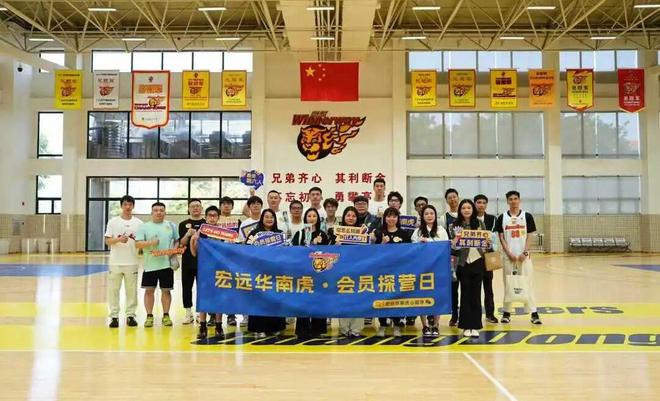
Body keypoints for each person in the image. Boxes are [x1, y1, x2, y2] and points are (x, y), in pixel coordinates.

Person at [495, 191, 542, 325]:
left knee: (528, 283)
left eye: (515, 199)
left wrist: (525, 253)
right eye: (511, 199)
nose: (513, 201)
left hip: (524, 257)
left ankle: (533, 313)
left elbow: (530, 236)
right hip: (508, 257)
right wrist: (509, 253)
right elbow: (501, 237)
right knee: (508, 284)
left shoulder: (527, 216)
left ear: (519, 200)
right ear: (507, 201)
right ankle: (506, 312)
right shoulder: (502, 217)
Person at [135, 202, 179, 328]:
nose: (159, 212)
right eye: (156, 210)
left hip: (166, 265)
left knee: (166, 291)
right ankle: (149, 316)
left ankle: (166, 315)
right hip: (150, 265)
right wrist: (150, 242)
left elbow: (177, 240)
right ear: (151, 212)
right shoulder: (144, 227)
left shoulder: (171, 225)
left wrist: (173, 250)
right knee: (149, 291)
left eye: (161, 210)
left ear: (165, 212)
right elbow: (137, 244)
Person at [245, 209, 287, 337]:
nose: (269, 219)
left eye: (271, 217)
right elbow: (246, 251)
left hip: (276, 272)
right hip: (258, 272)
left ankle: (275, 327)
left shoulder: (280, 234)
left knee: (275, 300)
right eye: (266, 217)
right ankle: (258, 328)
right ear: (262, 218)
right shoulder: (254, 233)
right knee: (258, 300)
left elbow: (286, 252)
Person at [450, 199, 488, 338]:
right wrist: (456, 240)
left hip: (478, 261)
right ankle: (466, 325)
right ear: (460, 210)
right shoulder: (454, 225)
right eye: (464, 208)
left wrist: (488, 242)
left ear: (473, 210)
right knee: (465, 293)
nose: (466, 210)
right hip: (463, 263)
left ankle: (476, 325)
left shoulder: (480, 223)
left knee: (476, 294)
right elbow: (453, 247)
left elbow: (486, 243)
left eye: (469, 208)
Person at [104, 195, 143, 328]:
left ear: (133, 206)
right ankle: (114, 316)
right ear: (121, 206)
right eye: (125, 204)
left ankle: (130, 315)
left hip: (132, 262)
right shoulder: (113, 222)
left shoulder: (139, 223)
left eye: (130, 204)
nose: (128, 207)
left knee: (131, 291)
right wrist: (119, 240)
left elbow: (141, 242)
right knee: (113, 290)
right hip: (115, 262)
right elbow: (107, 241)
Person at [372, 207, 411, 337]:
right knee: (382, 297)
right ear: (385, 218)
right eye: (388, 216)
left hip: (399, 271)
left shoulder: (404, 234)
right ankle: (382, 324)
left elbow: (409, 252)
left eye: (394, 216)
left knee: (397, 298)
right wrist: (382, 243)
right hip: (382, 271)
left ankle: (397, 324)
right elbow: (373, 253)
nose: (391, 219)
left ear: (398, 218)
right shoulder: (379, 232)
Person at [291, 208, 329, 338]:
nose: (311, 218)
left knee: (319, 300)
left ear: (318, 219)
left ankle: (318, 329)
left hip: (319, 272)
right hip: (303, 273)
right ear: (305, 218)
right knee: (303, 301)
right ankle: (302, 330)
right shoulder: (300, 234)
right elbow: (293, 252)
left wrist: (319, 245)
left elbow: (328, 254)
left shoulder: (323, 235)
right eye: (309, 216)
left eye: (314, 216)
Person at [411, 205, 449, 337]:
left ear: (435, 215)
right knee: (422, 296)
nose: (429, 216)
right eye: (426, 214)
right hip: (421, 268)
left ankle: (436, 324)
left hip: (438, 268)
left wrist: (429, 241)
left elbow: (445, 246)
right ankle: (425, 325)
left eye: (431, 213)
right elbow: (412, 250)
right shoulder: (417, 232)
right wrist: (419, 243)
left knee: (437, 296)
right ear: (422, 216)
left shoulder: (441, 230)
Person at [329, 206, 365, 338]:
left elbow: (369, 251)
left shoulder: (362, 232)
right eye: (348, 215)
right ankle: (344, 328)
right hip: (342, 271)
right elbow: (329, 253)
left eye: (353, 216)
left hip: (358, 271)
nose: (351, 218)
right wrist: (335, 246)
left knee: (358, 300)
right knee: (343, 300)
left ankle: (356, 329)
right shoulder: (335, 232)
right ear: (343, 217)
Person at [190, 205, 224, 339]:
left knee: (219, 297)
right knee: (203, 297)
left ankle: (219, 326)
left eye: (214, 215)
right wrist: (194, 240)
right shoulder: (201, 232)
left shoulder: (224, 233)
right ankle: (203, 326)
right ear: (206, 217)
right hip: (204, 269)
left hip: (220, 269)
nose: (212, 218)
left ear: (218, 217)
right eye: (210, 215)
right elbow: (194, 253)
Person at [178, 199, 205, 325]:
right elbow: (181, 243)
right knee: (187, 287)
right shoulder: (183, 224)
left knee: (202, 288)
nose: (195, 208)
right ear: (188, 209)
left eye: (198, 206)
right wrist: (188, 235)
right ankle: (188, 313)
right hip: (188, 261)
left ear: (201, 208)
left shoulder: (206, 224)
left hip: (203, 262)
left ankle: (201, 313)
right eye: (193, 206)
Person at [474, 194, 498, 324]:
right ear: (474, 204)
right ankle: (476, 314)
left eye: (484, 202)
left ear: (486, 204)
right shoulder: (471, 219)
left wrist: (490, 245)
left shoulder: (492, 219)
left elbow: (494, 237)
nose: (481, 205)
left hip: (488, 257)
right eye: (479, 202)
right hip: (474, 258)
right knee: (475, 288)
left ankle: (490, 314)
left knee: (488, 287)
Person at [218, 196, 242, 326]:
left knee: (231, 286)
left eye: (229, 204)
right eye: (224, 204)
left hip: (233, 258)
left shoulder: (237, 221)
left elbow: (241, 238)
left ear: (232, 206)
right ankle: (213, 315)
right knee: (217, 286)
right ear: (220, 206)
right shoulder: (215, 220)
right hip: (217, 257)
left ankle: (231, 315)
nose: (226, 206)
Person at [440, 188, 460, 326]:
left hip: (467, 255)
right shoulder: (444, 218)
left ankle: (466, 314)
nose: (452, 199)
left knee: (467, 287)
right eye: (450, 198)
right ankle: (454, 315)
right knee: (454, 287)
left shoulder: (466, 214)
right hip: (452, 256)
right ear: (447, 201)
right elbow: (442, 236)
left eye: (454, 197)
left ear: (458, 198)